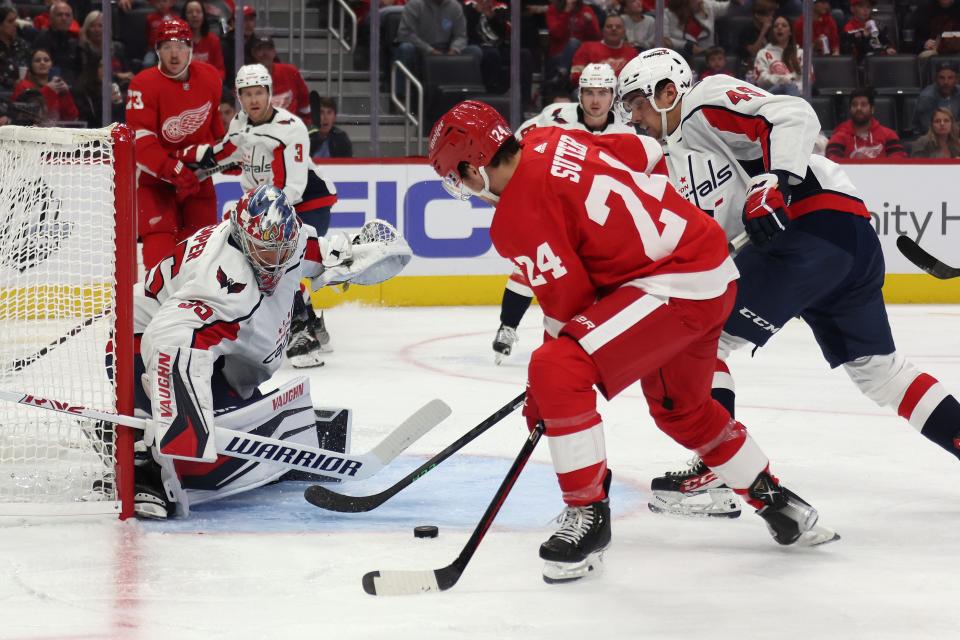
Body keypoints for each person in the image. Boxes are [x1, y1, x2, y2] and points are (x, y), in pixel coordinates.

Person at [429, 99, 837, 584]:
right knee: (680, 409)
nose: (463, 188)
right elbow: (646, 152)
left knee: (556, 369)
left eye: (457, 177)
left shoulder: (515, 218)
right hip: (708, 266)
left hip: (676, 286)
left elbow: (570, 307)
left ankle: (587, 519)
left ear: (474, 164)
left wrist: (549, 394)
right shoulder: (550, 139)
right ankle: (779, 504)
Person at [618, 48, 960, 518]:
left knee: (703, 340)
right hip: (837, 242)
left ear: (667, 90)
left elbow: (791, 112)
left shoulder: (702, 103)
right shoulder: (674, 163)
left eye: (638, 103)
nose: (635, 117)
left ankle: (718, 467)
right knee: (881, 370)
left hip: (809, 225)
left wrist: (773, 181)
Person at [131, 184, 409, 518]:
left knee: (243, 418)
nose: (275, 262)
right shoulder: (223, 281)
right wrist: (183, 423)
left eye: (282, 250)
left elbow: (321, 252)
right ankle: (143, 468)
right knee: (188, 446)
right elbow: (168, 339)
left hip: (209, 350)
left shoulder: (282, 242)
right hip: (137, 344)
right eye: (266, 252)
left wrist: (370, 252)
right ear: (244, 239)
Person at [196, 63, 338, 368]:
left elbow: (294, 187)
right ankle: (309, 322)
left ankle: (301, 332)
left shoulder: (291, 128)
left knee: (283, 265)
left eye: (259, 92)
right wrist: (192, 164)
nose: (253, 100)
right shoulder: (239, 123)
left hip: (309, 202)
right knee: (273, 265)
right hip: (269, 206)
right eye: (246, 94)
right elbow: (226, 153)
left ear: (270, 94)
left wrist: (262, 220)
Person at [493, 63, 635, 365]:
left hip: (595, 218)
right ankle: (508, 326)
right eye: (588, 92)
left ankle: (591, 338)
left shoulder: (627, 128)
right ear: (579, 93)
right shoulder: (554, 118)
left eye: (602, 93)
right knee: (532, 266)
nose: (595, 100)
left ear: (613, 95)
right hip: (553, 209)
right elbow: (515, 150)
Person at [125, 17, 224, 269]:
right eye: (167, 46)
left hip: (198, 181)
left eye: (180, 45)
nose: (174, 53)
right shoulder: (143, 84)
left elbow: (215, 129)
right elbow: (141, 141)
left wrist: (224, 154)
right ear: (157, 51)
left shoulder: (211, 77)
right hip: (155, 181)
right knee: (160, 259)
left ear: (191, 48)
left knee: (202, 253)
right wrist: (173, 169)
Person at [826, 87, 908, 159]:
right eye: (854, 105)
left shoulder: (888, 135)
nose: (858, 108)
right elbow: (833, 161)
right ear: (850, 109)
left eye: (863, 104)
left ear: (872, 109)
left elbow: (899, 160)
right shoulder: (839, 136)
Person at [249, 36, 312, 125]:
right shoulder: (246, 78)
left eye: (269, 49)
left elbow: (304, 103)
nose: (265, 53)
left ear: (274, 52)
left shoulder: (290, 72)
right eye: (260, 49)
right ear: (253, 53)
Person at [12, 47, 79, 122]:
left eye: (46, 60)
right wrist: (49, 90)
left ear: (51, 65)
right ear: (31, 66)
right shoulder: (22, 85)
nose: (42, 62)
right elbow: (29, 115)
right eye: (37, 61)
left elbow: (72, 118)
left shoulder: (57, 86)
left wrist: (65, 94)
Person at [570, 14, 638, 85]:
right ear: (603, 30)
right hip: (591, 89)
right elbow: (575, 76)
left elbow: (637, 78)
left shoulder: (632, 52)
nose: (613, 29)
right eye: (609, 26)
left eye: (618, 27)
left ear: (624, 32)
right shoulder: (587, 47)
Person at [753, 15, 804, 96]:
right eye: (776, 26)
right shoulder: (763, 53)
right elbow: (760, 79)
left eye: (784, 25)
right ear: (772, 31)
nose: (779, 28)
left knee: (789, 87)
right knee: (787, 85)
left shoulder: (801, 54)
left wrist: (789, 84)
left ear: (790, 32)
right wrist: (784, 80)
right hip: (771, 95)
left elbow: (807, 80)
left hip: (796, 94)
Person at [32, 1, 82, 85]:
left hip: (72, 87)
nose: (64, 18)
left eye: (67, 15)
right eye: (59, 15)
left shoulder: (74, 42)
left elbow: (79, 70)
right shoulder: (42, 39)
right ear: (50, 19)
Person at [912, 60, 960, 135]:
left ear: (957, 79)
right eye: (941, 78)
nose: (946, 82)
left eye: (950, 78)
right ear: (936, 79)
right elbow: (928, 129)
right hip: (929, 139)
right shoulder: (927, 97)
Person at [182, 0, 225, 81]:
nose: (194, 15)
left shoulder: (213, 40)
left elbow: (220, 70)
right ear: (185, 16)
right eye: (190, 12)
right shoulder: (179, 41)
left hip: (209, 82)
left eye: (198, 12)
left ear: (204, 16)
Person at [0, 7, 31, 92]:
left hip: (24, 89)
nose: (15, 24)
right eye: (10, 21)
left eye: (15, 21)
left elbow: (31, 66)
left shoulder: (23, 44)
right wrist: (12, 83)